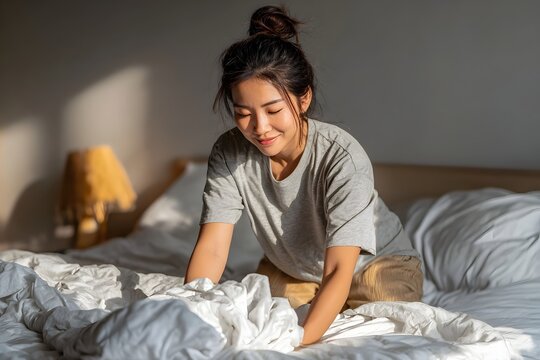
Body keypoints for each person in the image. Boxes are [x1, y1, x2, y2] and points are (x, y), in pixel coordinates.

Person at [185, 5, 423, 345]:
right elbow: (211, 249)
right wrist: (188, 310)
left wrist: (301, 342)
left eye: (273, 110)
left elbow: (339, 269)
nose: (260, 128)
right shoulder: (229, 151)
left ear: (303, 99)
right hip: (291, 267)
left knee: (384, 331)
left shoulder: (341, 157)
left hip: (376, 265)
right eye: (243, 114)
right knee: (252, 321)